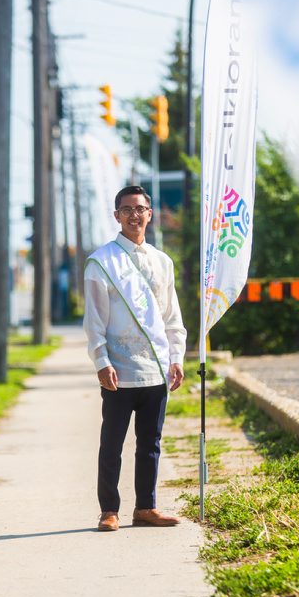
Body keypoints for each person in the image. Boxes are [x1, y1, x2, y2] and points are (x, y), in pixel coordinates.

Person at [83, 185, 187, 532]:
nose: (134, 215)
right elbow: (94, 322)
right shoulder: (102, 262)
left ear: (150, 214)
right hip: (119, 369)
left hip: (156, 368)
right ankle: (108, 510)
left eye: (140, 209)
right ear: (117, 216)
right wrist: (101, 362)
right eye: (127, 209)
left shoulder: (162, 261)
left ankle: (146, 507)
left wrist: (177, 357)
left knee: (151, 444)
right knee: (112, 444)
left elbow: (172, 316)